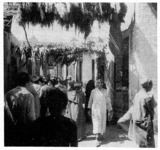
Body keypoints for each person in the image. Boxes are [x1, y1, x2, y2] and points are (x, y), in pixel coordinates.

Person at [117, 79, 156, 148]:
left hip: (138, 125)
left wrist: (122, 119)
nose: (152, 86)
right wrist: (152, 99)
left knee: (141, 145)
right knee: (148, 146)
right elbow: (152, 110)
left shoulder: (137, 95)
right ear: (148, 85)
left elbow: (133, 108)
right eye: (152, 84)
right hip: (146, 126)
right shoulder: (147, 98)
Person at [5, 72, 36, 146]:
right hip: (24, 129)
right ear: (27, 82)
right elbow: (31, 117)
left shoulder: (8, 94)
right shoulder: (29, 95)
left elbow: (5, 112)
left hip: (10, 129)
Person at [88, 79, 113, 147]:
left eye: (101, 82)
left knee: (102, 124)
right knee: (96, 124)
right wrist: (89, 109)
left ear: (102, 84)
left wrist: (110, 110)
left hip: (102, 111)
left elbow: (108, 101)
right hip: (95, 111)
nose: (99, 84)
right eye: (98, 82)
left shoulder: (105, 91)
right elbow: (90, 101)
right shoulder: (93, 91)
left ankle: (100, 136)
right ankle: (97, 139)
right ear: (96, 83)